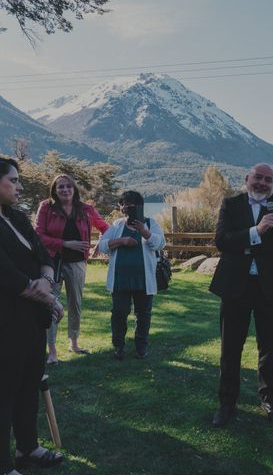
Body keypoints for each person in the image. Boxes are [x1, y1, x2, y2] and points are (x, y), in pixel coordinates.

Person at [210, 164, 273, 427]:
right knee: (230, 347)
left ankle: (269, 400)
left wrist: (244, 242)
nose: (262, 183)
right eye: (258, 178)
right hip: (236, 285)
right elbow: (222, 240)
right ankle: (227, 404)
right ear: (247, 179)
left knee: (268, 347)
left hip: (271, 286)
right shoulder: (231, 204)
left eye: (268, 180)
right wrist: (255, 232)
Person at [0, 157, 64, 475]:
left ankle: (28, 448)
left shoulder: (18, 217)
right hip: (5, 321)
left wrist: (47, 281)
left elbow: (43, 253)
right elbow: (6, 274)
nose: (19, 186)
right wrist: (48, 297)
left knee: (28, 383)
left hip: (31, 320)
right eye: (13, 180)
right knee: (4, 390)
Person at [35, 174, 110, 364]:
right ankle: (52, 351)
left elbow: (106, 228)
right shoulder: (46, 207)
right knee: (51, 304)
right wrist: (65, 243)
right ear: (54, 189)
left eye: (68, 186)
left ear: (74, 189)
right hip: (52, 262)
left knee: (75, 303)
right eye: (60, 187)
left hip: (77, 264)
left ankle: (74, 343)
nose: (65, 190)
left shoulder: (86, 209)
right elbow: (38, 236)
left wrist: (100, 245)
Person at [97, 190, 166, 360]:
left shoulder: (150, 223)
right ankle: (119, 346)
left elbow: (160, 244)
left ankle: (141, 347)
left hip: (143, 278)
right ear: (121, 208)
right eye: (124, 205)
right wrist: (122, 241)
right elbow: (102, 245)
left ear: (140, 207)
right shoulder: (117, 225)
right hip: (120, 279)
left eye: (131, 206)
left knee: (143, 314)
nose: (127, 208)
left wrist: (145, 232)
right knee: (119, 312)